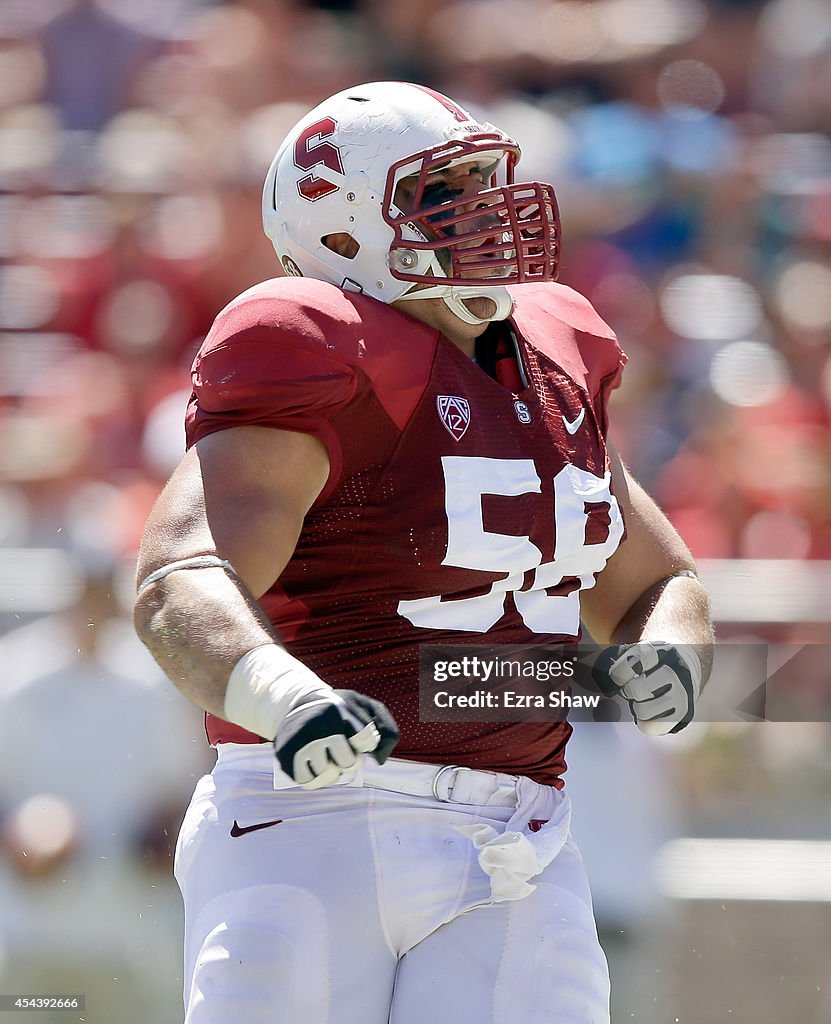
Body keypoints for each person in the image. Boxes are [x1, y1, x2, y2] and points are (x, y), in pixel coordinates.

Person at [133, 81, 713, 1024]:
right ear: (344, 224)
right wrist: (286, 701)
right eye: (446, 193)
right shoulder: (312, 341)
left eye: (489, 183)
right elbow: (180, 581)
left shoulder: (553, 349)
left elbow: (656, 577)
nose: (488, 213)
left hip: (521, 833)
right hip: (314, 813)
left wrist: (667, 654)